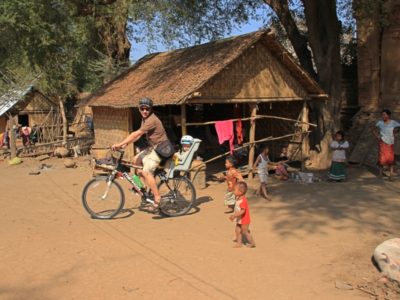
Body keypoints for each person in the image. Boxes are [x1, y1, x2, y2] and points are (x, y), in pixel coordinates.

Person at [112, 97, 170, 212]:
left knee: (146, 171)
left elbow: (136, 133)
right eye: (142, 108)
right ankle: (143, 189)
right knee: (135, 161)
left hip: (161, 149)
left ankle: (157, 198)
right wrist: (126, 144)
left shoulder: (151, 120)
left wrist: (120, 144)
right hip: (153, 147)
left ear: (150, 109)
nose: (144, 111)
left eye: (147, 109)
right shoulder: (144, 119)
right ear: (139, 108)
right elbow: (138, 135)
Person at [373, 109, 400, 179]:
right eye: (382, 115)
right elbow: (373, 129)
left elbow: (399, 128)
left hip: (390, 143)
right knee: (381, 158)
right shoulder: (380, 123)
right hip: (382, 142)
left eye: (384, 114)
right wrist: (377, 136)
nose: (383, 116)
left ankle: (390, 175)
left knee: (390, 159)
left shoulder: (393, 122)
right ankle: (380, 174)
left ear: (389, 115)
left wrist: (395, 134)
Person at [228, 181, 255, 248]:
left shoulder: (243, 201)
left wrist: (234, 215)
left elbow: (243, 211)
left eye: (235, 190)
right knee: (237, 230)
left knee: (245, 232)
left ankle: (252, 243)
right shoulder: (238, 198)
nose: (233, 191)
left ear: (240, 192)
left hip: (244, 219)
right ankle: (239, 243)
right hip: (239, 219)